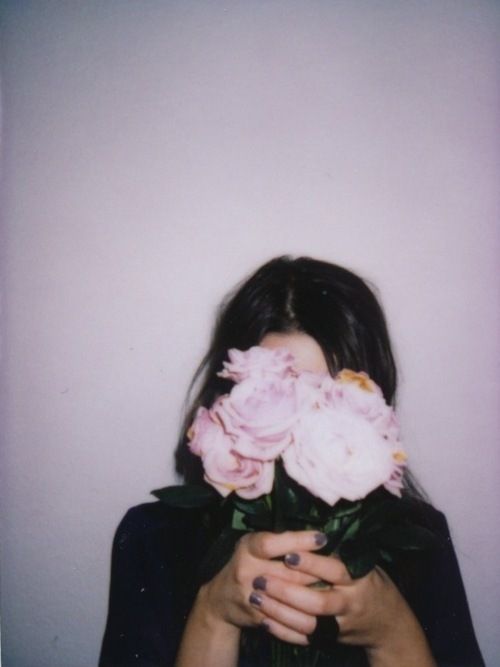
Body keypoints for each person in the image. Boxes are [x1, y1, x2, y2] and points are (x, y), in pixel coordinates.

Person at [99, 256, 484, 667]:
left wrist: (391, 631)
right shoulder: (152, 540)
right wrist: (214, 615)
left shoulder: (420, 540)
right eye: (281, 398)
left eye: (329, 402)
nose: (304, 434)